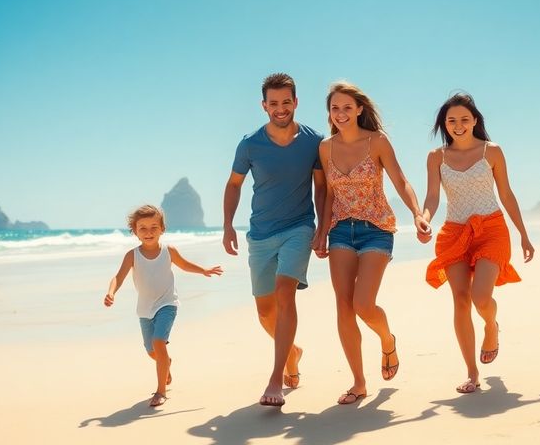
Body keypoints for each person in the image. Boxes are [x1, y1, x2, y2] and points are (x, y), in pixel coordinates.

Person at [311, 81, 431, 405]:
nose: (341, 113)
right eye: (335, 108)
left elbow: (401, 180)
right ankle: (359, 382)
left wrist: (418, 214)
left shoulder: (377, 142)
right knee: (343, 305)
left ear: (360, 109)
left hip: (376, 228)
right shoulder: (325, 148)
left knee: (363, 304)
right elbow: (328, 195)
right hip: (340, 230)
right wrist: (322, 231)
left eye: (347, 107)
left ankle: (387, 338)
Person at [418, 92, 535, 394]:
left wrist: (523, 233)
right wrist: (424, 217)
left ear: (475, 121)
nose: (458, 125)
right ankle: (472, 373)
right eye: (452, 120)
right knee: (460, 300)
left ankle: (491, 326)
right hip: (454, 232)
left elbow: (506, 194)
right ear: (444, 124)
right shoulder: (436, 157)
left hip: (492, 228)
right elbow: (432, 196)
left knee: (481, 297)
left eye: (464, 119)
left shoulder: (491, 152)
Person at [223, 73, 327, 407]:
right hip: (260, 234)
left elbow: (322, 187)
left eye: (286, 102)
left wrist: (322, 228)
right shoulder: (250, 143)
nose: (280, 109)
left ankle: (275, 378)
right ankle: (293, 352)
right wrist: (227, 226)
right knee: (265, 313)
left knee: (286, 294)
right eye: (273, 103)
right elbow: (234, 184)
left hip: (299, 227)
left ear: (295, 102)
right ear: (264, 105)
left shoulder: (315, 142)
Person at [104, 204, 223, 407]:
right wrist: (111, 292)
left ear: (162, 229)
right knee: (152, 351)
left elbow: (184, 265)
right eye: (142, 228)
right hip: (145, 309)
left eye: (154, 227)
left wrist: (203, 270)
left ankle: (160, 391)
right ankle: (166, 364)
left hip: (167, 304)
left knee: (159, 343)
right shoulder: (132, 255)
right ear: (134, 231)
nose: (149, 232)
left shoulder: (169, 251)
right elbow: (118, 277)